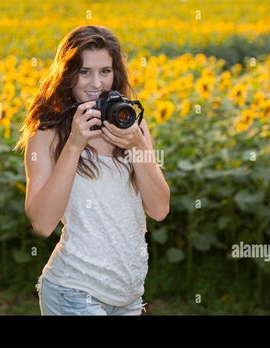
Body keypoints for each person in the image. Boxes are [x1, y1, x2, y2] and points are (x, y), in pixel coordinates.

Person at [14, 25, 170, 315]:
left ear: (116, 74)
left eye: (105, 71)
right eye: (84, 72)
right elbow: (42, 223)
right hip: (73, 293)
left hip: (129, 298)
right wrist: (74, 145)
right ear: (67, 74)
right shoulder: (47, 133)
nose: (96, 83)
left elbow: (160, 208)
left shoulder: (130, 122)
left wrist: (137, 144)